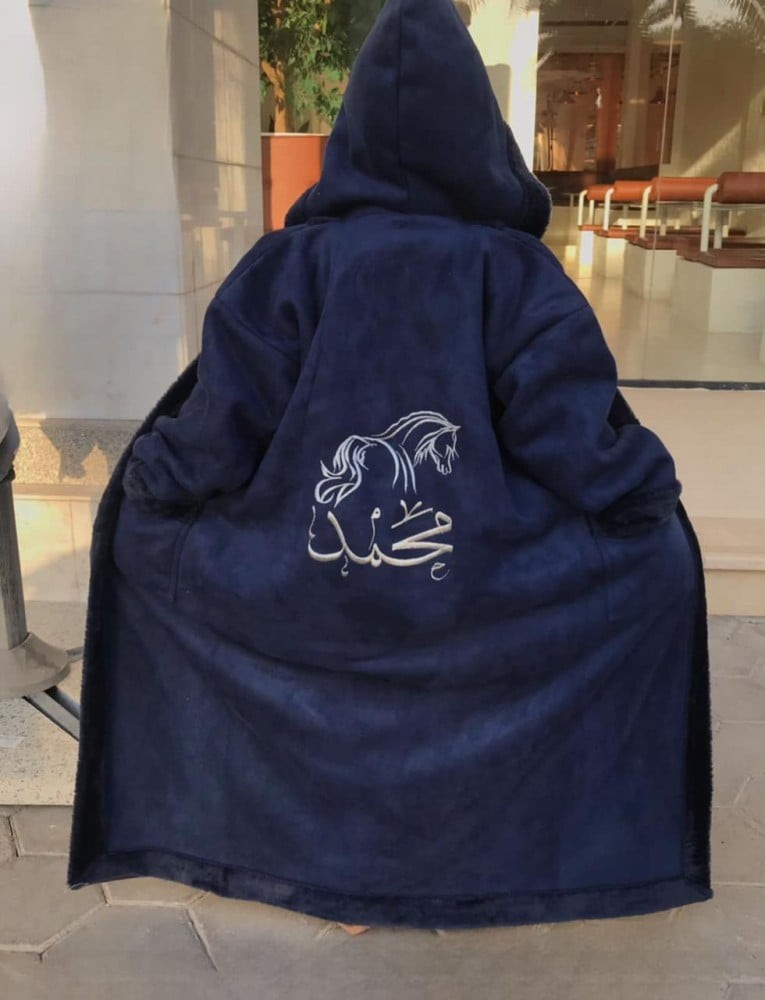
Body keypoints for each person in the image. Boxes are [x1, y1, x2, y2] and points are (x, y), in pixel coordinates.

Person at [69, 0, 712, 930]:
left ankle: (310, 857)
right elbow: (571, 436)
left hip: (305, 583)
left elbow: (220, 426)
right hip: (480, 591)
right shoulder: (516, 276)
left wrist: (152, 488)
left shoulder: (285, 267)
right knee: (647, 573)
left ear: (353, 135)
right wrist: (641, 494)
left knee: (173, 567)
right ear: (482, 139)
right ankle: (501, 848)